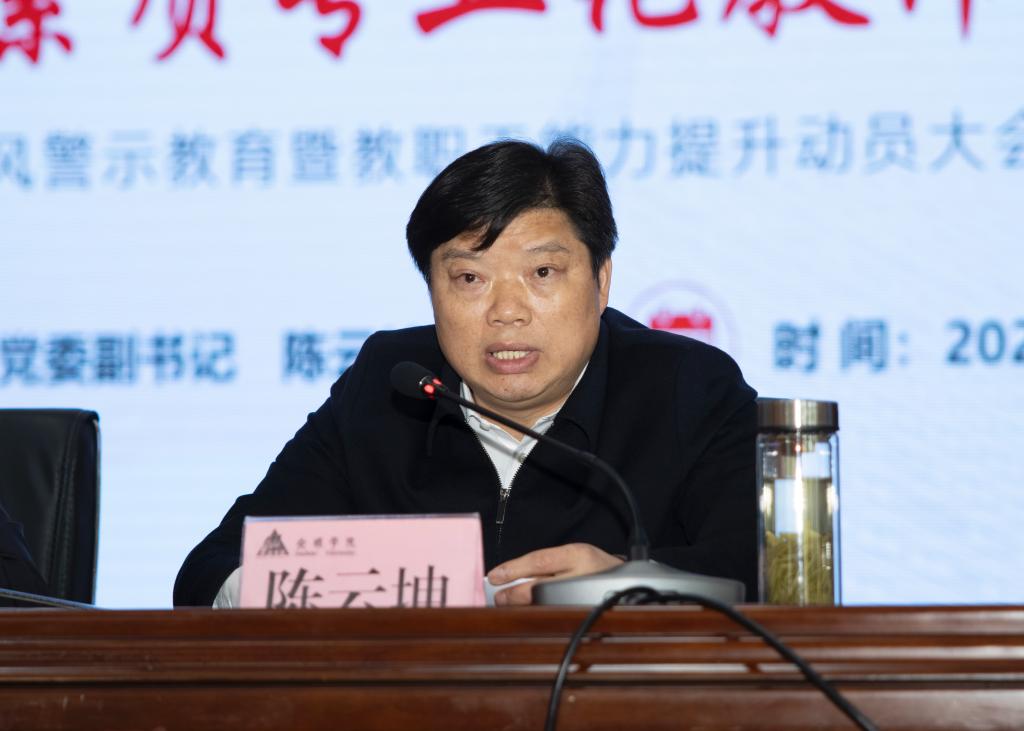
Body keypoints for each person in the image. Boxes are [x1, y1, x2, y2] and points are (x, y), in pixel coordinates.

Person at [173, 139, 758, 607]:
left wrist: (630, 584)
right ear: (432, 290)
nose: (507, 312)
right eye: (470, 279)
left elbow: (763, 572)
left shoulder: (688, 388)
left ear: (601, 280)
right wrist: (344, 588)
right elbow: (212, 570)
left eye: (543, 273)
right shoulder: (387, 386)